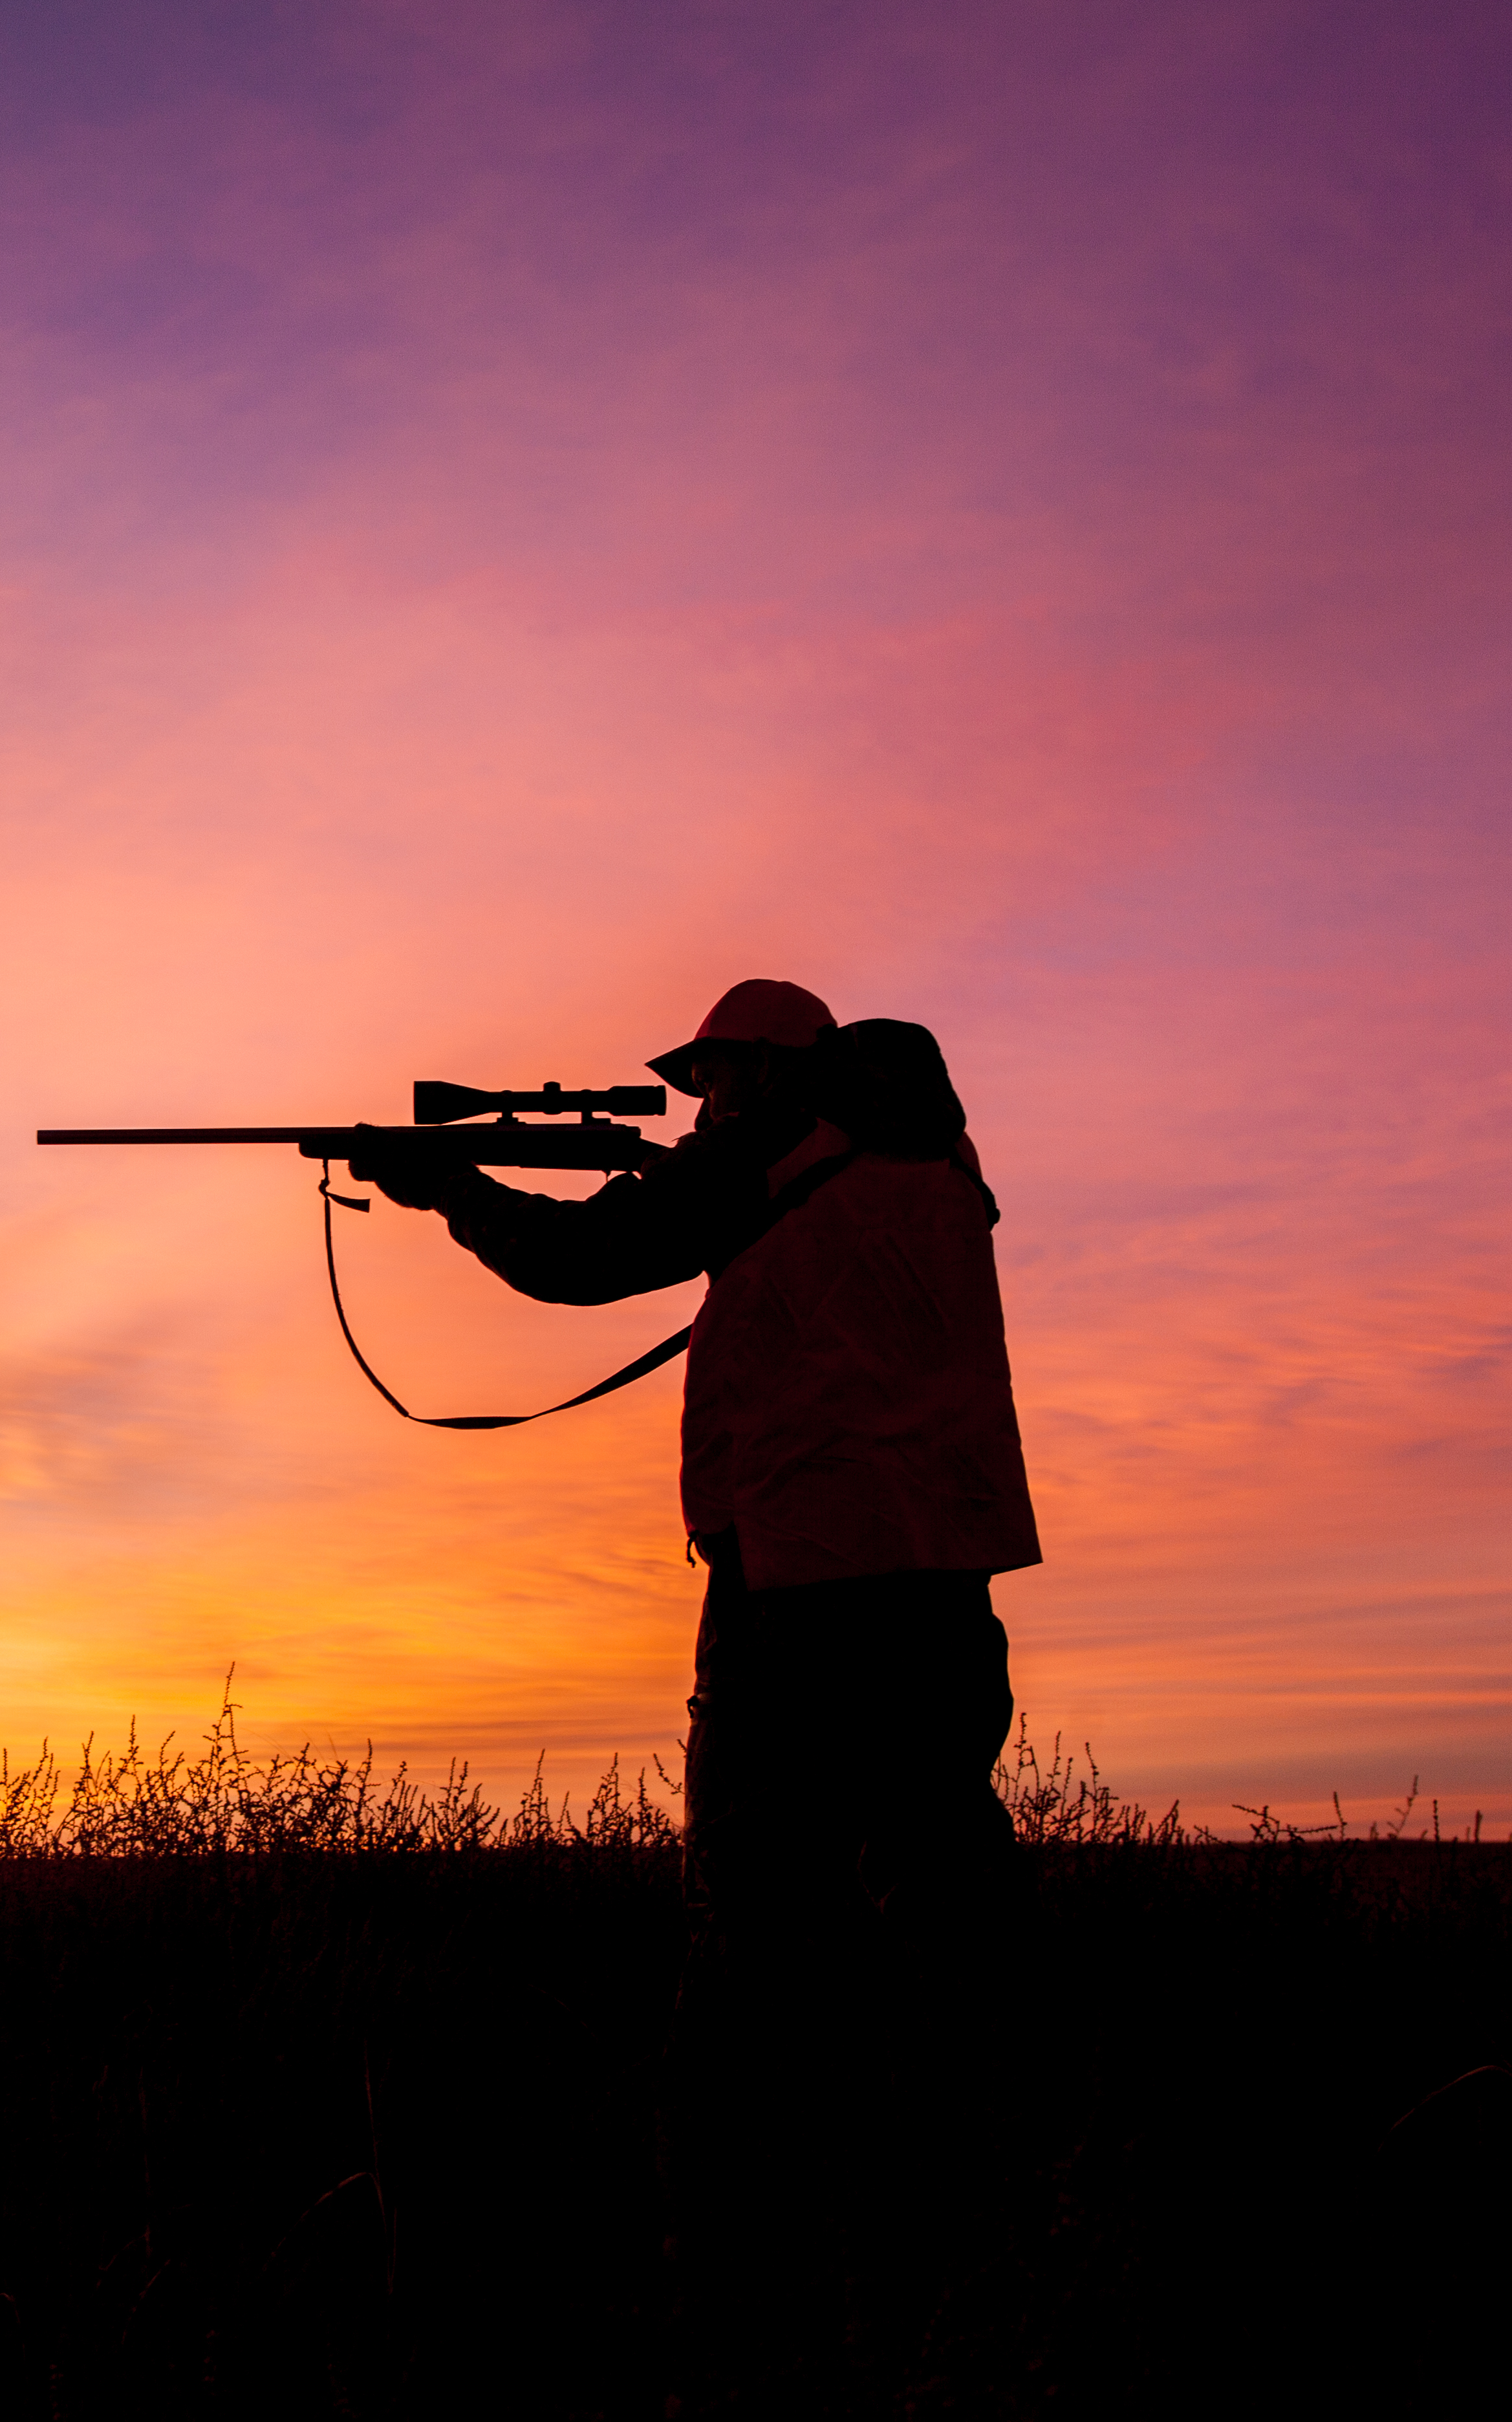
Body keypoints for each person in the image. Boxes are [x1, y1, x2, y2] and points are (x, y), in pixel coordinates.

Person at [352, 976, 1042, 2404]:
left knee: (755, 1951)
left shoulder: (773, 1154)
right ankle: (975, 2257)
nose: (699, 1104)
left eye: (718, 1077)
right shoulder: (930, 1159)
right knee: (943, 1930)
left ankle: (744, 2309)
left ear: (780, 1071)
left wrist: (449, 1189)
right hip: (941, 1586)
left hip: (796, 1591)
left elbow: (583, 1266)